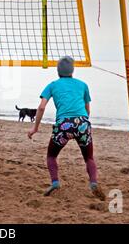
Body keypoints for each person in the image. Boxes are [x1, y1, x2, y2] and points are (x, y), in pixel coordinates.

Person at [27, 56, 106, 200]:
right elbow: (87, 110)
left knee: (51, 156)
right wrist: (82, 125)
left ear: (58, 71)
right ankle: (94, 183)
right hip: (82, 123)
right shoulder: (83, 85)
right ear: (73, 70)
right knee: (89, 157)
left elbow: (41, 107)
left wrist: (35, 128)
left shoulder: (52, 85)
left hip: (64, 124)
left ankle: (55, 182)